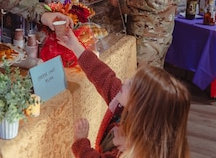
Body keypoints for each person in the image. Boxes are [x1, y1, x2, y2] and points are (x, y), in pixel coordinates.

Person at [57, 28, 191, 158]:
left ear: (140, 105)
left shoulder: (128, 150)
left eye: (131, 84)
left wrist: (82, 143)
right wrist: (75, 45)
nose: (125, 81)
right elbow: (103, 76)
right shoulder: (128, 108)